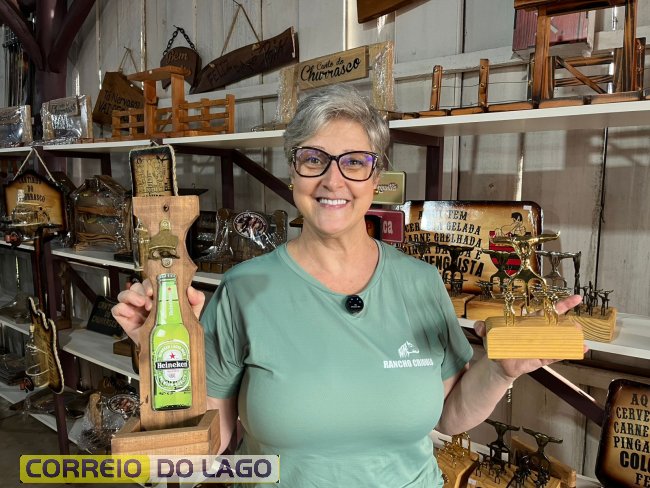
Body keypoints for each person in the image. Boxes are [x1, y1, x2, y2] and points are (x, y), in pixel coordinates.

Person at [112, 84, 583, 487]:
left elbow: (450, 413)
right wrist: (162, 355)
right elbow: (207, 451)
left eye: (354, 162)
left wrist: (500, 371)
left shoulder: (420, 283)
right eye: (313, 159)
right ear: (293, 171)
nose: (332, 180)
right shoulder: (243, 290)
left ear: (376, 177)